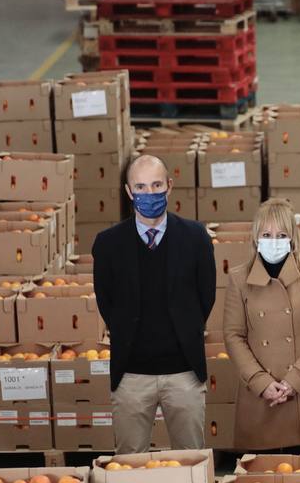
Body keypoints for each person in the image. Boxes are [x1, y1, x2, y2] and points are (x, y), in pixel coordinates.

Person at [92, 154, 216, 453]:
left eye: (156, 185)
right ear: (128, 191)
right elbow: (105, 301)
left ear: (169, 186)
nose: (149, 194)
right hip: (132, 375)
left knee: (191, 461)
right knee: (129, 465)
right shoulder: (109, 244)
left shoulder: (195, 237)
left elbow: (206, 296)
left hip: (183, 372)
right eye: (141, 187)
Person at [222, 199, 300, 449]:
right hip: (259, 396)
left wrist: (295, 381)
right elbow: (233, 336)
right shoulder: (239, 278)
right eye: (267, 234)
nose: (274, 240)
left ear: (293, 238)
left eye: (282, 234)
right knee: (259, 480)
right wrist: (261, 382)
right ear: (255, 237)